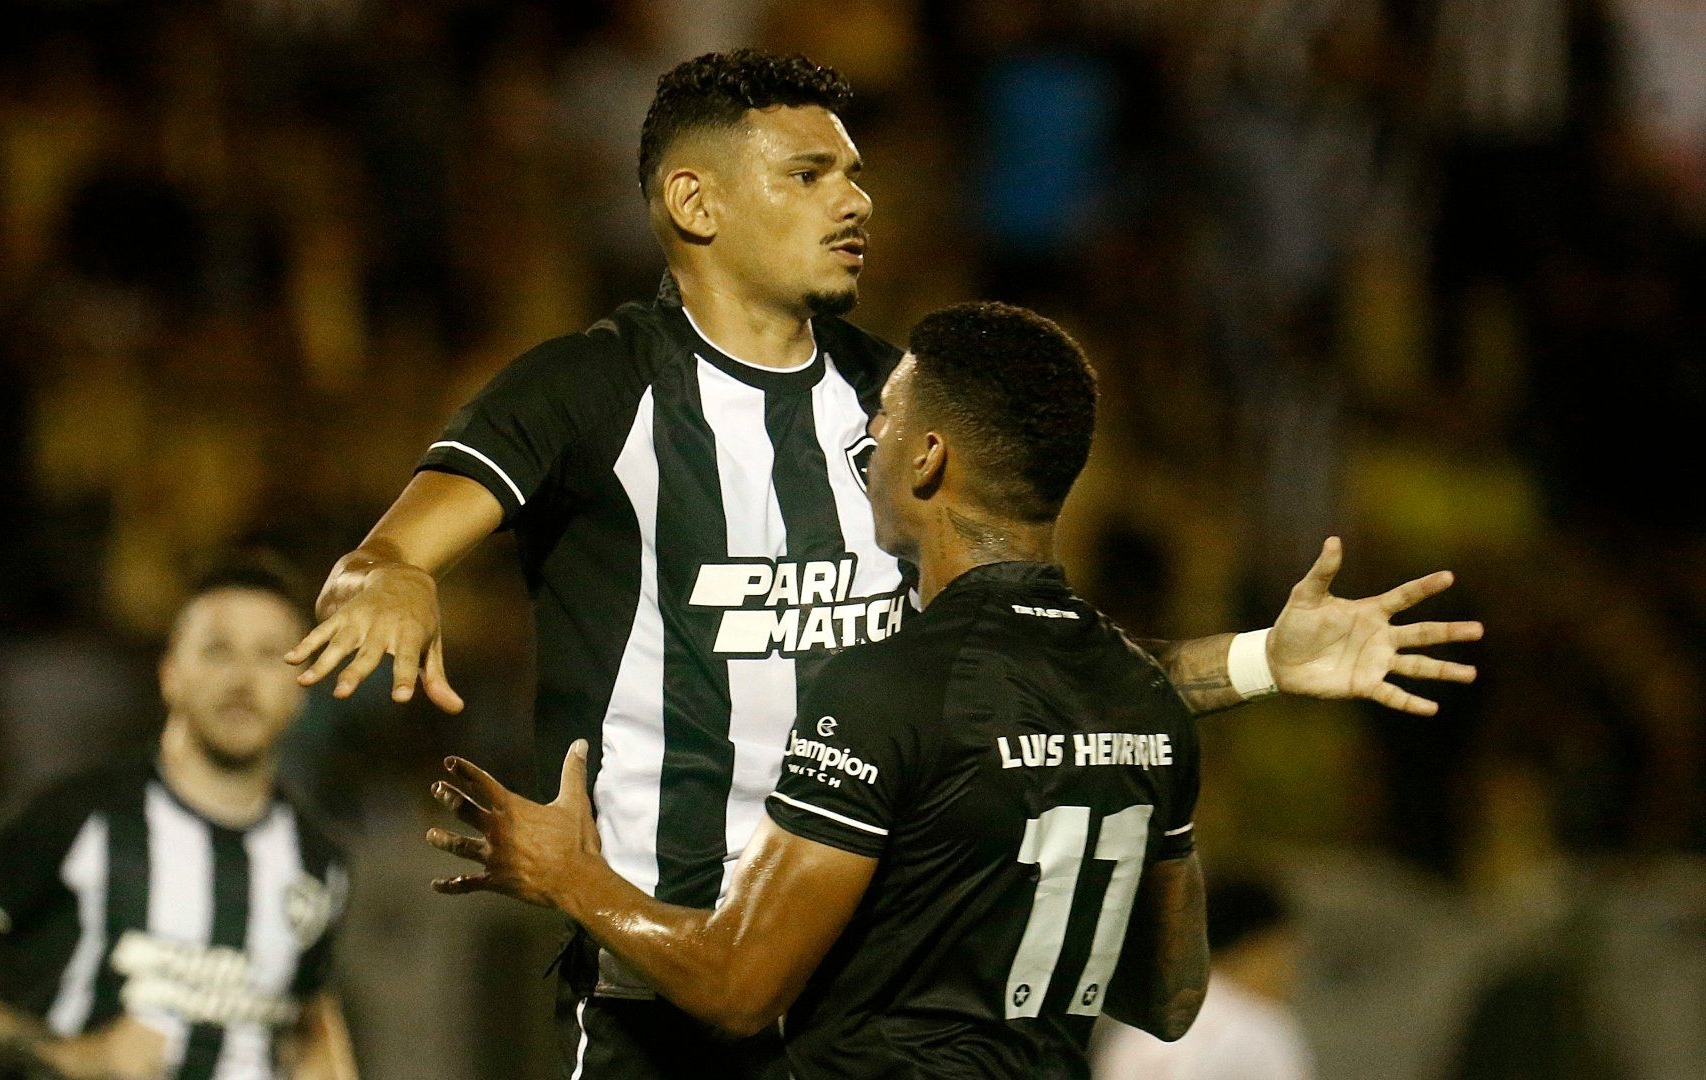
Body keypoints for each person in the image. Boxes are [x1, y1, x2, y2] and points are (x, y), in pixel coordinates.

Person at [286, 50, 1479, 1079]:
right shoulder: (590, 390)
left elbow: (1029, 678)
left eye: (856, 172)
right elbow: (388, 547)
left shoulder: (902, 408)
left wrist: (1267, 660)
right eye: (811, 174)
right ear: (692, 201)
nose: (857, 198)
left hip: (874, 1009)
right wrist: (389, 575)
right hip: (665, 990)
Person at [423, 302, 1207, 1079]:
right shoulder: (1143, 698)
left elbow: (738, 986)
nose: (869, 440)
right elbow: (1168, 996)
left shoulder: (883, 689)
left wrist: (572, 877)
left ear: (929, 459)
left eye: (888, 419)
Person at [0, 558, 358, 1080]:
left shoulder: (318, 857)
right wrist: (69, 1057)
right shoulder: (80, 815)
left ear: (303, 688)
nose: (242, 678)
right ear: (170, 673)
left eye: (269, 655)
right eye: (218, 650)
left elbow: (307, 1021)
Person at [1095, 875, 1317, 1080]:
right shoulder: (1259, 1028)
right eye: (1287, 951)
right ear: (1260, 946)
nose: (1290, 971)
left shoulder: (1139, 1028)